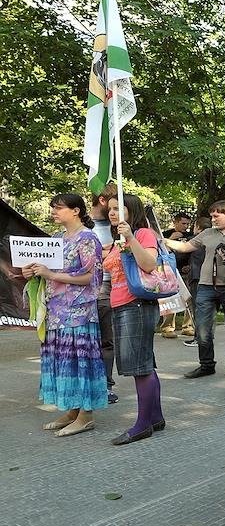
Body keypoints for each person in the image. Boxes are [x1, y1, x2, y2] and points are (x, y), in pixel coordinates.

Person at [27, 193, 108, 436]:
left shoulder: (88, 239)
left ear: (76, 211)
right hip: (56, 311)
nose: (53, 211)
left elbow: (90, 278)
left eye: (59, 207)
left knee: (79, 362)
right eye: (52, 207)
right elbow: (46, 271)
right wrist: (32, 270)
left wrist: (51, 275)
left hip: (79, 312)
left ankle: (86, 415)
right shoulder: (55, 238)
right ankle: (73, 410)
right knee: (64, 361)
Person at [163, 201, 225, 377]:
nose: (213, 219)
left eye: (216, 215)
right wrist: (162, 239)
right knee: (203, 329)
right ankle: (206, 366)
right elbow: (184, 247)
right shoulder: (207, 233)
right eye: (211, 216)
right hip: (206, 286)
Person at [103, 193, 166, 446]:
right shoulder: (115, 240)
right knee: (145, 363)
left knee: (139, 367)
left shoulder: (143, 234)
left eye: (119, 208)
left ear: (132, 210)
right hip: (122, 305)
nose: (112, 212)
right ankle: (156, 417)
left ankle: (142, 425)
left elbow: (149, 264)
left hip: (136, 304)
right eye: (110, 209)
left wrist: (130, 237)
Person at [90, 184, 117, 402]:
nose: (118, 210)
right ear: (102, 201)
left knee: (107, 339)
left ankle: (105, 385)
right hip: (89, 287)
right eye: (114, 204)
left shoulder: (120, 225)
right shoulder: (83, 226)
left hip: (112, 286)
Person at [159, 212, 194, 339]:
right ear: (175, 222)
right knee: (170, 299)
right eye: (183, 223)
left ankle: (188, 326)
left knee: (189, 298)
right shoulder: (166, 234)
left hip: (187, 271)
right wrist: (172, 238)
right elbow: (159, 249)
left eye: (187, 224)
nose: (186, 226)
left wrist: (190, 266)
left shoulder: (191, 236)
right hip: (171, 271)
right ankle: (167, 327)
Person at [182, 216, 209, 348]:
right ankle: (203, 337)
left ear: (197, 227)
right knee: (205, 311)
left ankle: (199, 338)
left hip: (196, 276)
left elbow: (182, 254)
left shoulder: (194, 241)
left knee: (198, 310)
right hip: (210, 278)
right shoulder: (212, 239)